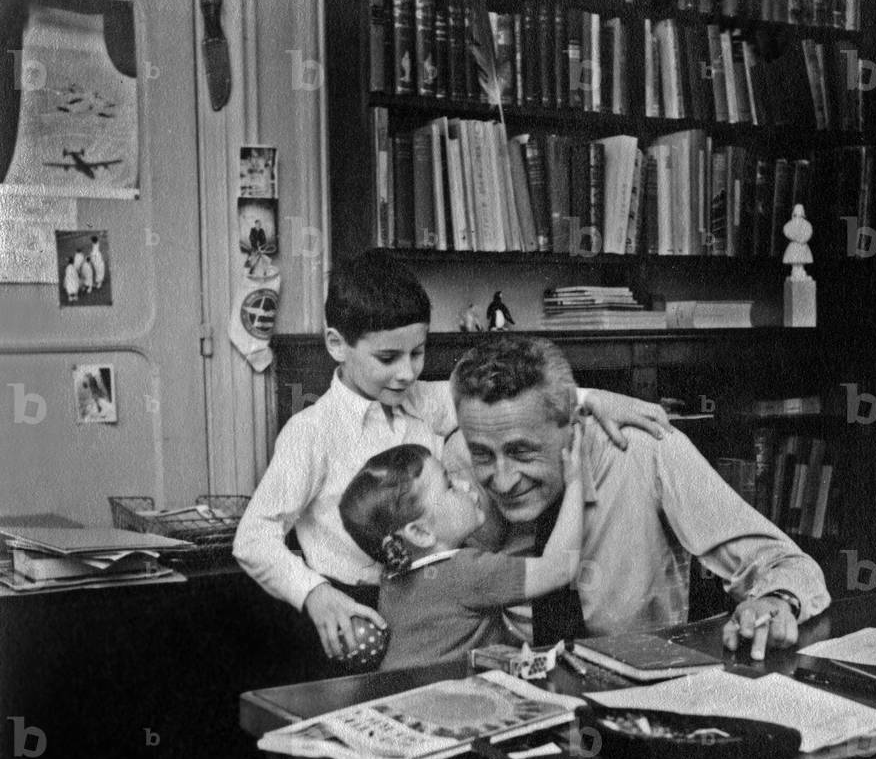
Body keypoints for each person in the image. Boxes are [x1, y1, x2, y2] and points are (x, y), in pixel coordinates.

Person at [233, 250, 670, 664]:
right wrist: (314, 594)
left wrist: (598, 400)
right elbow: (253, 538)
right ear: (336, 344)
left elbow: (515, 399)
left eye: (418, 353)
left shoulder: (424, 400)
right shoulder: (310, 433)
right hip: (355, 609)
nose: (407, 372)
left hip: (445, 597)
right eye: (388, 357)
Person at [450, 336, 831, 660]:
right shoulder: (455, 465)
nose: (501, 481)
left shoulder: (647, 452)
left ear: (572, 425)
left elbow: (785, 562)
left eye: (522, 452)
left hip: (638, 692)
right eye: (483, 454)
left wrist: (776, 600)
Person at [338, 432, 583, 672]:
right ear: (420, 533)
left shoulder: (392, 575)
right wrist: (574, 481)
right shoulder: (465, 571)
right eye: (450, 486)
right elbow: (559, 569)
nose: (465, 484)